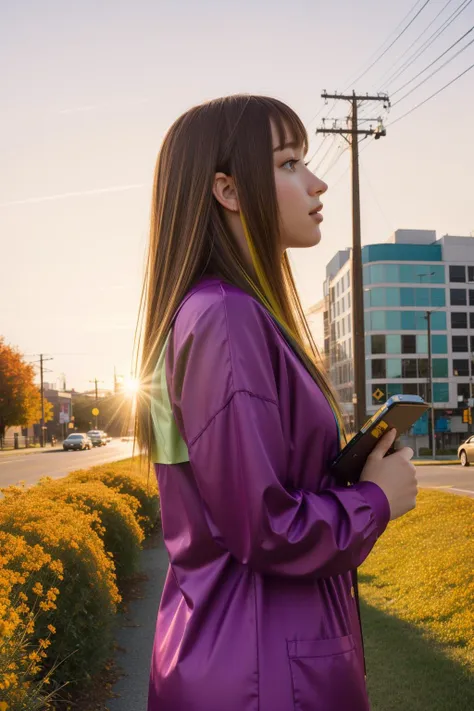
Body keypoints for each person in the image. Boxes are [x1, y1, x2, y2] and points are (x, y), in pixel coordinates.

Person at [135, 95, 418, 711]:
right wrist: (376, 499)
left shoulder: (216, 315)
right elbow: (265, 527)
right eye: (289, 163)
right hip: (261, 674)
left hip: (240, 654)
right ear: (228, 191)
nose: (316, 183)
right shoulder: (227, 318)